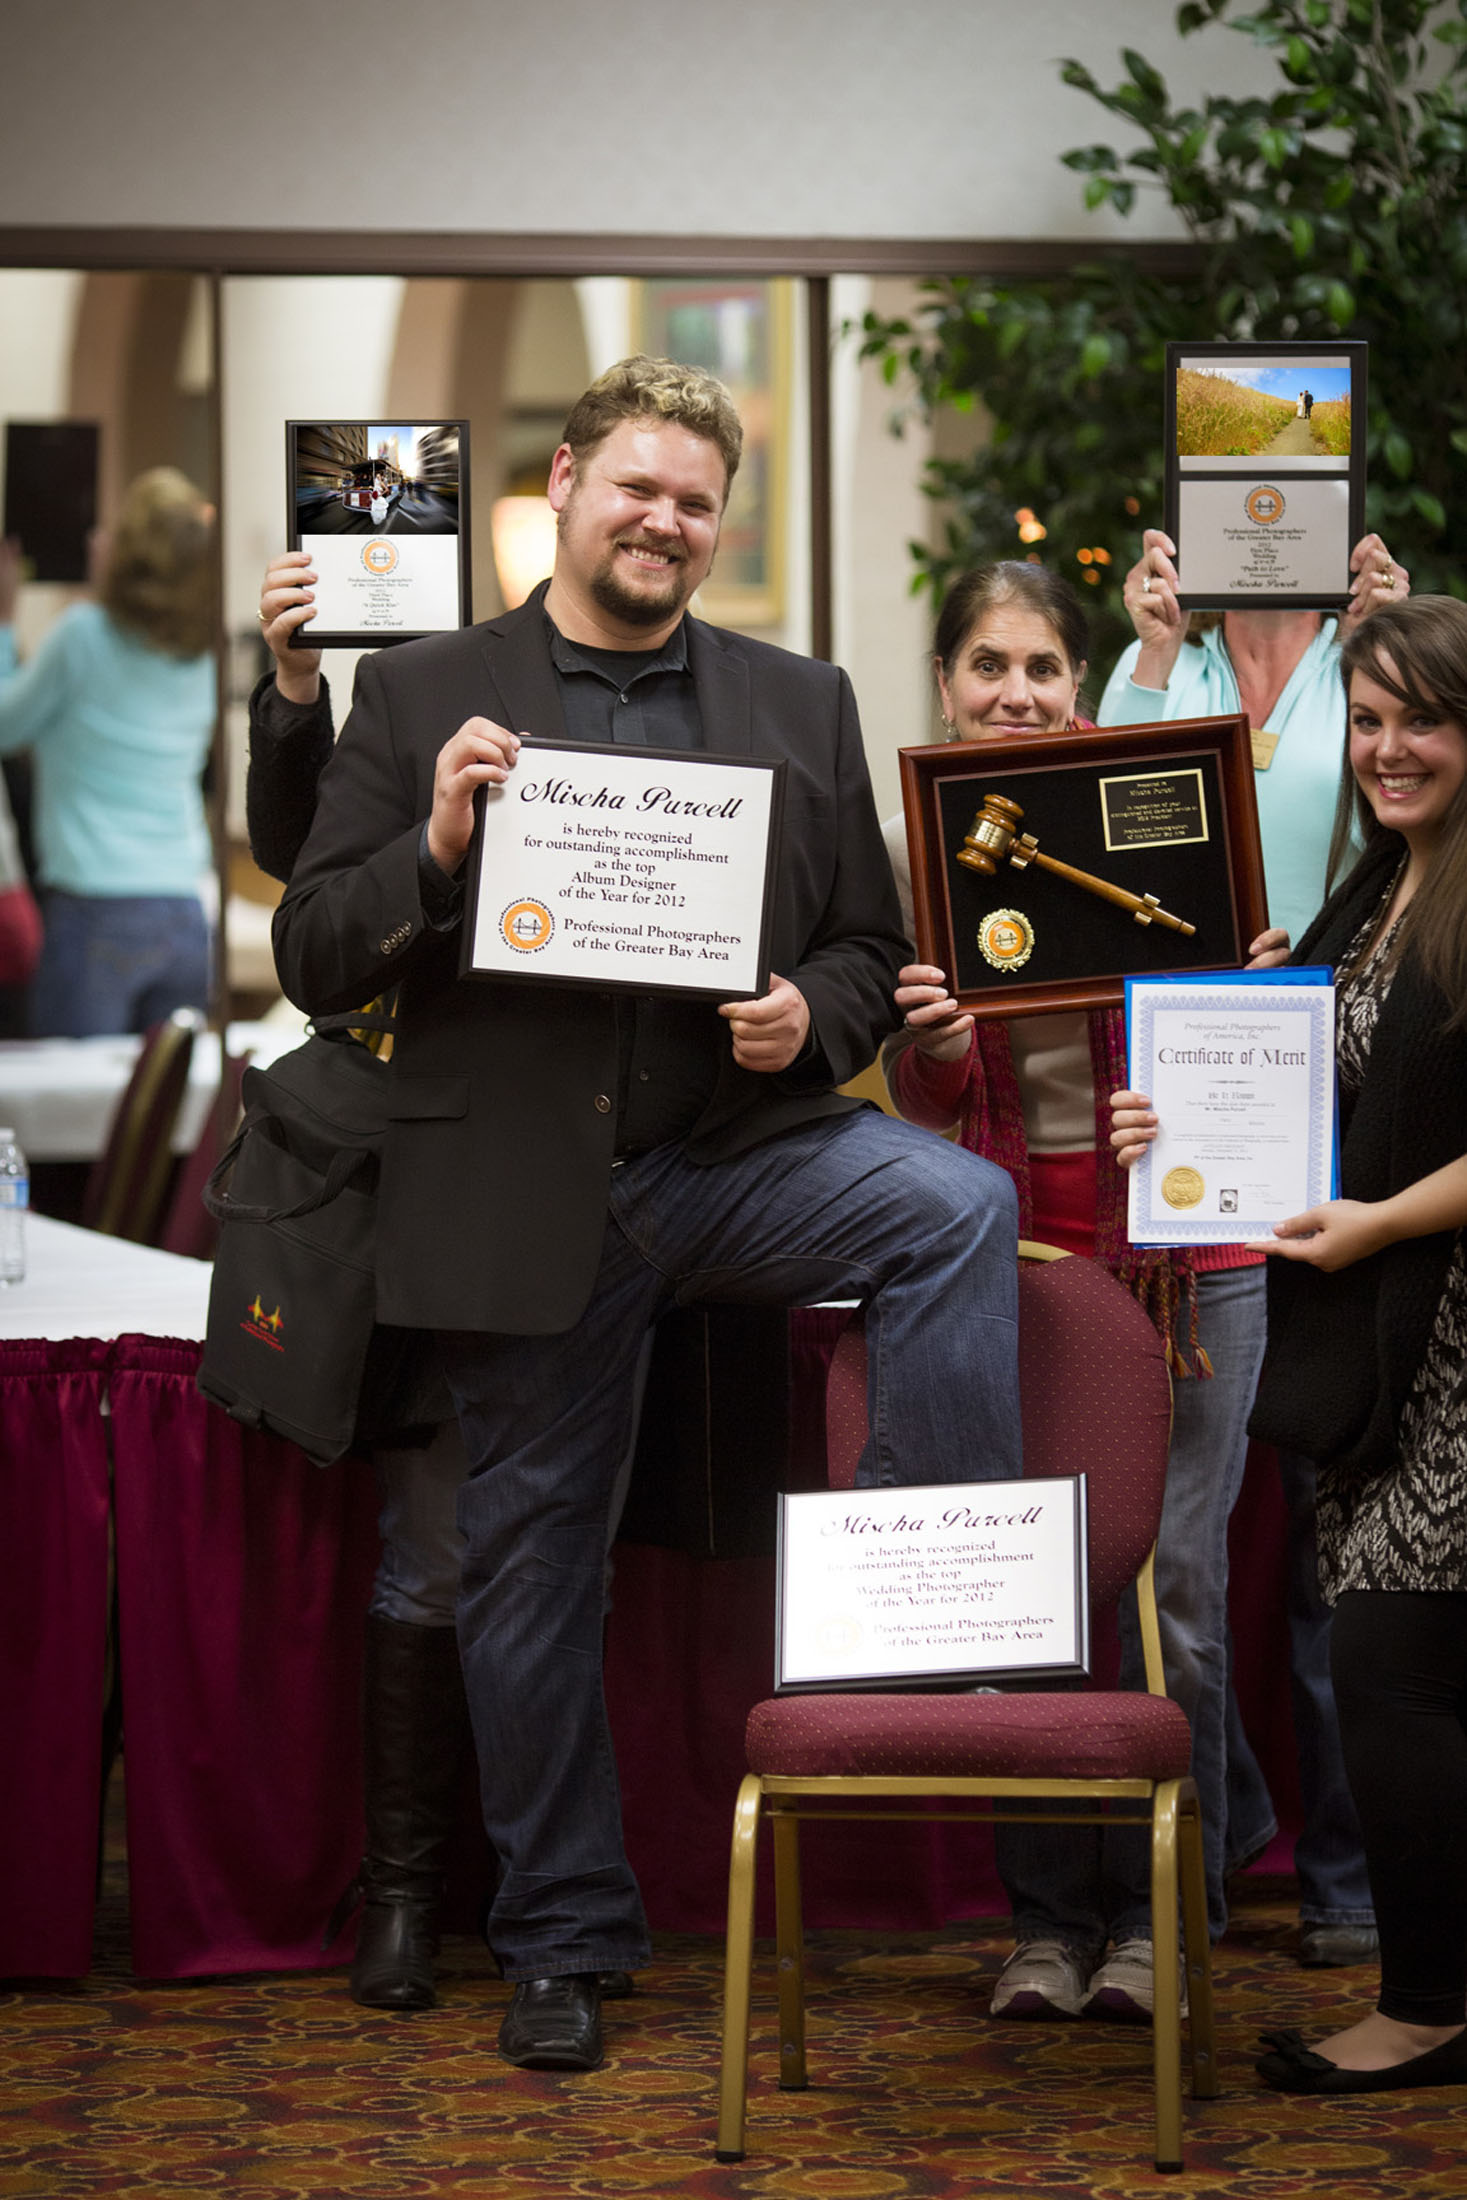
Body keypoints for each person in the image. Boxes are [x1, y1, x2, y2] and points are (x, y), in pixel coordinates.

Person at [271, 355, 1023, 2075]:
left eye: (695, 500)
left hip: (735, 1156)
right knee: (531, 1576)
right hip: (530, 1193)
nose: (665, 521)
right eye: (638, 488)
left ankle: (913, 1604)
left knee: (952, 1208)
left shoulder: (794, 699)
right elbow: (316, 953)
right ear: (563, 486)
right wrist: (441, 845)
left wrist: (809, 1022)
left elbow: (859, 948)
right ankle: (562, 1932)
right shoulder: (422, 695)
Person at [884, 561, 1274, 2025]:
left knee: (1172, 1592)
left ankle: (1166, 1923)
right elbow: (919, 1117)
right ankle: (1048, 1920)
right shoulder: (917, 858)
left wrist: (1210, 1054)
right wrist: (923, 1041)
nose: (1016, 694)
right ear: (944, 684)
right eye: (987, 666)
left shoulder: (1167, 833)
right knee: (1032, 1605)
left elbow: (1243, 1058)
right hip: (1016, 1277)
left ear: (1079, 683)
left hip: (1181, 1273)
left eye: (1042, 668)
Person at [1113, 593, 1467, 2093]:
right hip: (1384, 1349)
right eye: (1365, 720)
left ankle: (1429, 2007)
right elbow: (1307, 1085)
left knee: (1388, 1674)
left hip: (1443, 1351)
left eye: (1417, 720)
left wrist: (1379, 1224)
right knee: (1400, 1675)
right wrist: (1173, 1111)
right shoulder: (1381, 881)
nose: (1385, 750)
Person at [0, 469, 215, 1036]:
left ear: (131, 556)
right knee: (167, 1111)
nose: (97, 538)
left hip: (94, 910)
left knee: (80, 1114)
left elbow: (4, 726)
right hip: (183, 910)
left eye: (114, 532)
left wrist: (2, 624)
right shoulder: (202, 655)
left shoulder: (82, 635)